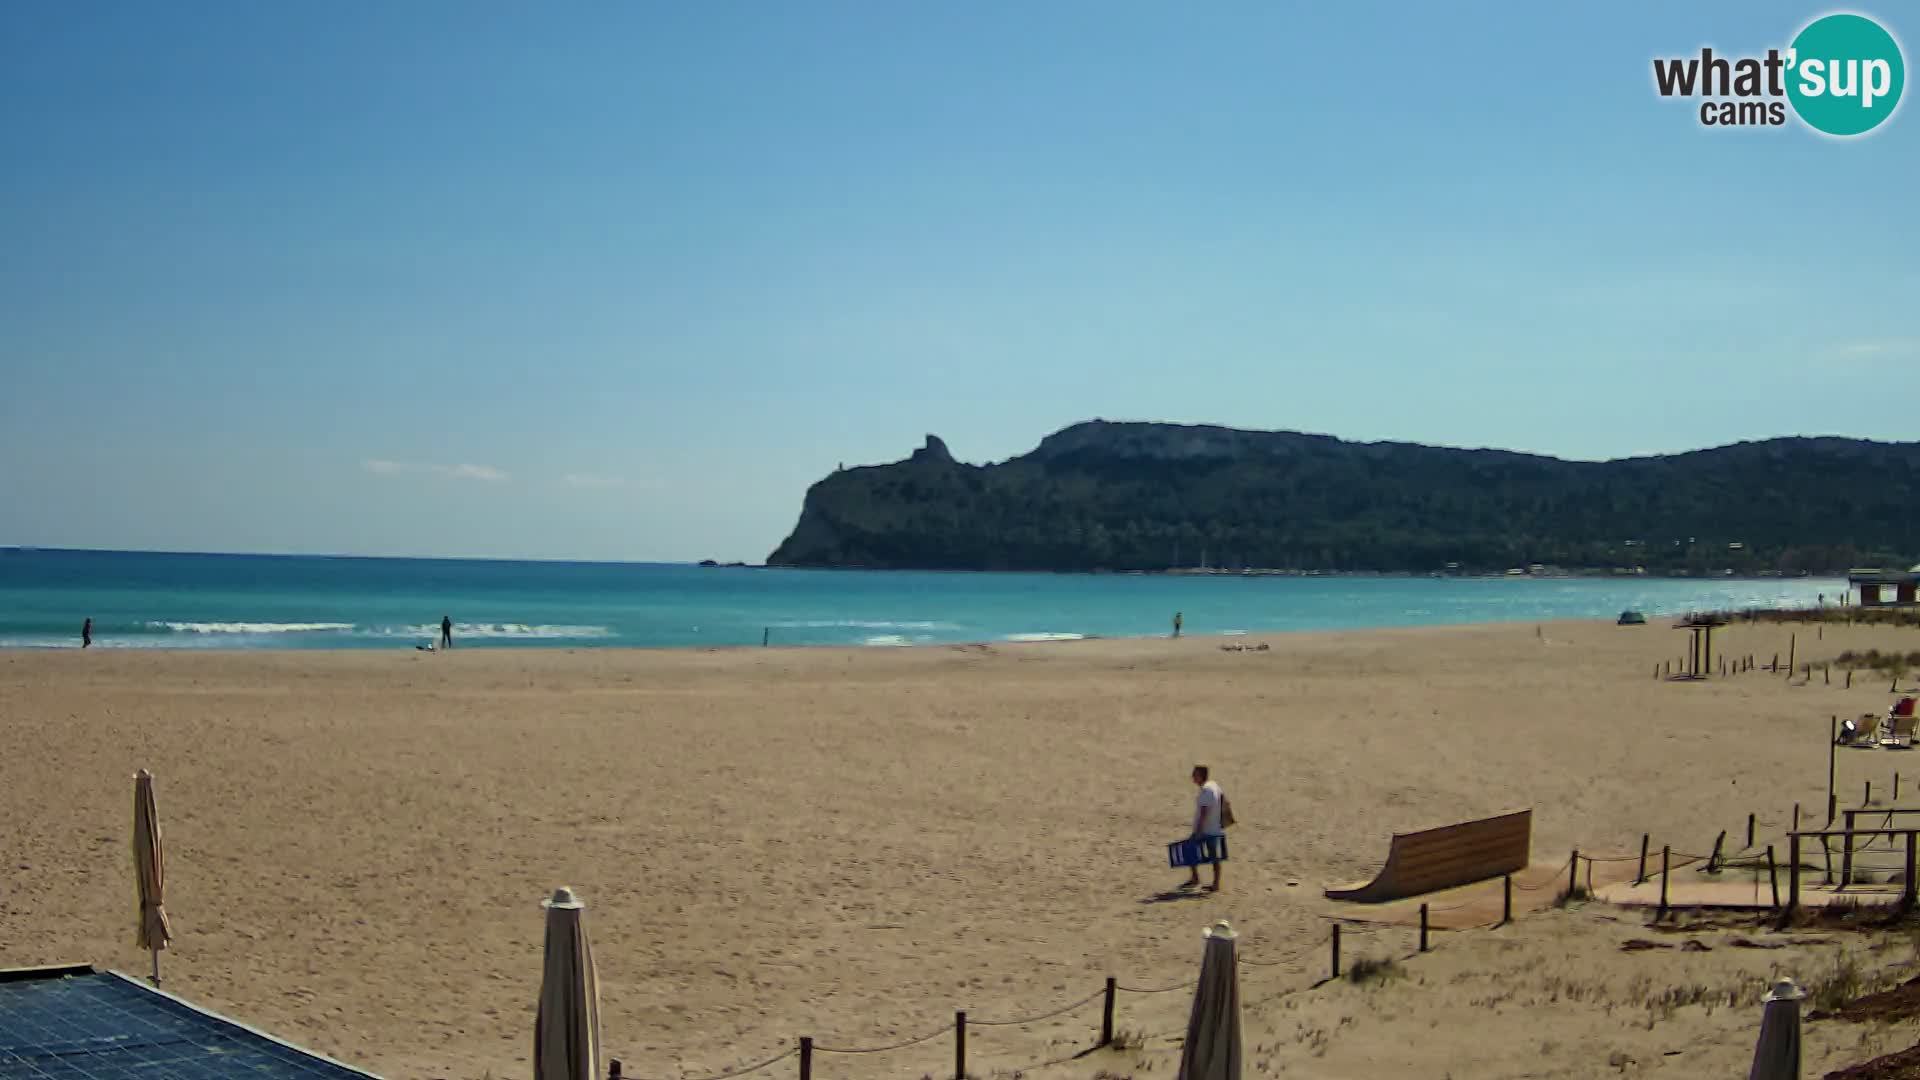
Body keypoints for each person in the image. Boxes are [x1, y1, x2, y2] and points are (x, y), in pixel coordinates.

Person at [1182, 764, 1227, 893]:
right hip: (1215, 828)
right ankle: (1214, 883)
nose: (1192, 777)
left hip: (1207, 830)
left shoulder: (1206, 791)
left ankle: (1196, 878)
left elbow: (1204, 813)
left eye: (1195, 775)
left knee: (1189, 849)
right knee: (1214, 857)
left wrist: (1199, 831)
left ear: (1201, 776)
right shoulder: (1214, 785)